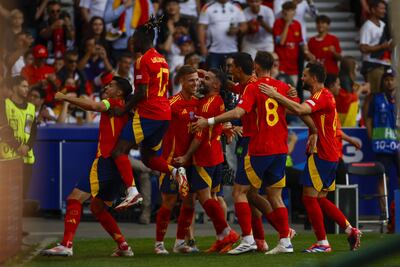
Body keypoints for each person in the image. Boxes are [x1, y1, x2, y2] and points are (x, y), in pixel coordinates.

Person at [193, 52, 298, 255]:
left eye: (232, 66)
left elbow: (239, 112)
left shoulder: (253, 87)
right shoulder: (279, 85)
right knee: (266, 195)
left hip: (257, 145)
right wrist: (312, 130)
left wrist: (211, 121)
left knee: (241, 192)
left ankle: (249, 238)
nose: (230, 70)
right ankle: (278, 238)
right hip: (279, 148)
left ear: (254, 66)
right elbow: (297, 108)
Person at [259, 62, 362, 252]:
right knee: (321, 198)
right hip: (331, 154)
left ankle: (323, 243)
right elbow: (297, 110)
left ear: (314, 78)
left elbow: (300, 111)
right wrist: (287, 98)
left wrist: (275, 95)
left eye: (305, 76)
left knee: (308, 198)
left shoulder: (321, 96)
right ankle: (350, 229)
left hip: (321, 154)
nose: (302, 79)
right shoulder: (324, 97)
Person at [40, 76, 141, 257]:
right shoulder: (128, 110)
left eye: (111, 86)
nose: (106, 87)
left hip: (105, 161)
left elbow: (94, 106)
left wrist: (65, 97)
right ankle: (123, 245)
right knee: (97, 207)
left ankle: (66, 244)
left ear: (119, 92)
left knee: (74, 198)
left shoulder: (112, 102)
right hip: (119, 167)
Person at [111, 18, 188, 209]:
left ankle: (132, 191)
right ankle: (175, 171)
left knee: (119, 151)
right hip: (164, 114)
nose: (132, 42)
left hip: (149, 113)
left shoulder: (142, 60)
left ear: (142, 39)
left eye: (134, 38)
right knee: (147, 157)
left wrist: (124, 109)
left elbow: (142, 92)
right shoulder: (161, 59)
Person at [175, 68, 239, 253]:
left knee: (203, 198)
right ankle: (221, 238)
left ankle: (226, 232)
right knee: (211, 197)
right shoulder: (216, 100)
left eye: (207, 78)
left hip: (204, 156)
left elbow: (200, 136)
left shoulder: (207, 104)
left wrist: (187, 156)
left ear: (217, 84)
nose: (202, 80)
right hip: (217, 156)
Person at [154, 65, 199, 254]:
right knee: (169, 201)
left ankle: (180, 242)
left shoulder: (198, 103)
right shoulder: (171, 104)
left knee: (189, 202)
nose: (195, 83)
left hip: (191, 161)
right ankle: (159, 244)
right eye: (191, 80)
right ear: (181, 81)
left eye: (197, 80)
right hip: (172, 162)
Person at [365, 68, 399, 217]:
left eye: (392, 79)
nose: (389, 82)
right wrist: (372, 137)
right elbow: (369, 120)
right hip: (382, 146)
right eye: (386, 79)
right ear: (383, 82)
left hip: (398, 146)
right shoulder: (376, 98)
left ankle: (397, 211)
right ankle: (384, 212)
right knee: (382, 179)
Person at [0, 76, 37, 200]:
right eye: (24, 86)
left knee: (22, 193)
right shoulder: (4, 105)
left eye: (27, 86)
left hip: (26, 156)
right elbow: (4, 129)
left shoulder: (31, 108)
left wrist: (27, 146)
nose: (27, 89)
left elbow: (33, 131)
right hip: (7, 155)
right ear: (15, 88)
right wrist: (17, 146)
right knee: (7, 193)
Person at [197, 0, 247, 69]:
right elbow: (201, 28)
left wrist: (237, 30)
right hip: (213, 51)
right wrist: (203, 47)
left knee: (232, 77)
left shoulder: (236, 7)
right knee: (213, 77)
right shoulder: (208, 7)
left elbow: (244, 26)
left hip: (232, 50)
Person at [359, 0, 392, 93]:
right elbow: (363, 48)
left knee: (383, 94)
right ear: (373, 10)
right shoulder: (367, 26)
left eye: (385, 8)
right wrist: (381, 47)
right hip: (373, 66)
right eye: (381, 8)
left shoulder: (384, 25)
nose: (384, 11)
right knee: (373, 94)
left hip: (386, 64)